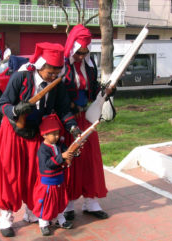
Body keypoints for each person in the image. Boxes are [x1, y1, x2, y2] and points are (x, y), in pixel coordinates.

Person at [0, 42, 81, 237]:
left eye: (57, 73)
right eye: (50, 73)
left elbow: (64, 109)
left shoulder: (56, 86)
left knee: (35, 175)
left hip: (37, 135)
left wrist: (73, 127)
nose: (53, 77)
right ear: (40, 66)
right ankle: (5, 217)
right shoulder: (20, 78)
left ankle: (33, 211)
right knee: (11, 175)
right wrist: (15, 110)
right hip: (14, 133)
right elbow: (3, 103)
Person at [63, 24, 114, 220]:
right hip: (66, 119)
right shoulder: (62, 62)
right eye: (78, 52)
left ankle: (90, 201)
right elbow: (56, 91)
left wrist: (105, 91)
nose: (81, 56)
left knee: (90, 159)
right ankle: (67, 204)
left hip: (86, 117)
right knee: (70, 159)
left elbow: (91, 90)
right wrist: (70, 107)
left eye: (85, 52)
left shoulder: (89, 64)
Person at [33, 114, 74, 236]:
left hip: (59, 180)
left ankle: (60, 220)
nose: (57, 136)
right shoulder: (43, 149)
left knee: (60, 201)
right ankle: (44, 223)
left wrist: (72, 153)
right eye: (53, 134)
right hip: (48, 184)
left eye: (57, 133)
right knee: (46, 203)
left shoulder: (58, 145)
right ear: (44, 134)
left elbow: (67, 153)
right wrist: (62, 156)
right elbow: (48, 164)